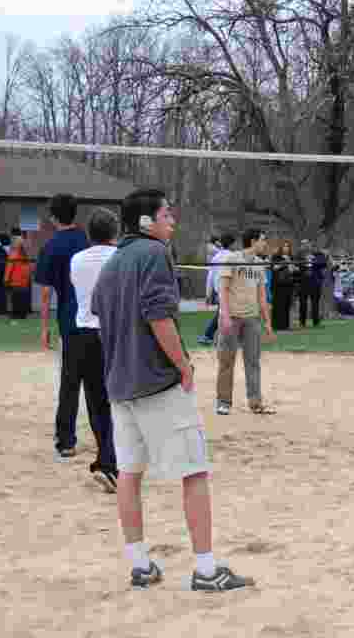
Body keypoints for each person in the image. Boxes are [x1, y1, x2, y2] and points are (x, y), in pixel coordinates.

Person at [91, 188, 250, 592]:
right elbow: (159, 316)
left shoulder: (112, 262)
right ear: (146, 222)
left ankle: (140, 566)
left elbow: (99, 315)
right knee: (194, 470)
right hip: (156, 382)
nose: (172, 221)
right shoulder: (154, 254)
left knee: (128, 473)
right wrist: (183, 366)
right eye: (166, 214)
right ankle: (206, 570)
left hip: (119, 386)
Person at [34, 194, 92, 460]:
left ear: (54, 217)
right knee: (98, 383)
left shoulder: (52, 246)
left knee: (70, 383)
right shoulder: (88, 241)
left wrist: (45, 326)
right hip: (97, 321)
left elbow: (45, 293)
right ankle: (107, 440)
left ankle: (66, 441)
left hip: (70, 322)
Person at [68, 208, 121, 493]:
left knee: (96, 402)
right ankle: (109, 463)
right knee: (118, 402)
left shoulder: (77, 259)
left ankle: (106, 457)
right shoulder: (120, 257)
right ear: (114, 232)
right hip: (111, 334)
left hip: (83, 334)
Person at [215, 228, 277, 415]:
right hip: (231, 317)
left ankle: (255, 402)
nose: (264, 243)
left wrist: (267, 322)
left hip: (252, 319)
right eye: (262, 240)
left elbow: (262, 296)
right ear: (253, 241)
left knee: (253, 361)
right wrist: (225, 316)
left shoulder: (259, 264)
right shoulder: (231, 259)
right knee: (226, 361)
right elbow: (223, 290)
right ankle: (223, 402)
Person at [199, 234, 235, 345]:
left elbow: (210, 277)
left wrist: (208, 293)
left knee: (223, 313)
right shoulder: (233, 257)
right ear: (232, 244)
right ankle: (209, 336)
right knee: (224, 314)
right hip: (229, 290)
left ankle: (209, 336)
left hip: (218, 289)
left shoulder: (216, 257)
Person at [297, 239, 327, 328]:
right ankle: (302, 322)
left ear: (310, 245)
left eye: (307, 244)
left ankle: (316, 322)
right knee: (303, 303)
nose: (305, 246)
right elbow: (296, 264)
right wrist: (305, 261)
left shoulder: (318, 254)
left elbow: (323, 263)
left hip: (315, 281)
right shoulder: (299, 255)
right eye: (303, 244)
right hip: (303, 281)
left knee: (315, 303)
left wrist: (312, 260)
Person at [270, 241, 299, 331]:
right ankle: (276, 325)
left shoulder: (292, 257)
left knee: (287, 304)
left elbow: (294, 270)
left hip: (288, 283)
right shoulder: (276, 257)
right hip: (278, 284)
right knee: (278, 304)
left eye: (288, 246)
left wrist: (293, 267)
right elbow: (274, 268)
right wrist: (284, 263)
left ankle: (285, 325)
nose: (286, 248)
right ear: (281, 248)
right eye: (284, 246)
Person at [4, 235, 33, 321]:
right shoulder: (26, 255)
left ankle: (16, 315)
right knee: (23, 299)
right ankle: (22, 315)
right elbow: (29, 268)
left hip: (15, 281)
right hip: (24, 281)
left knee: (15, 300)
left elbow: (9, 269)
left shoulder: (13, 255)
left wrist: (6, 280)